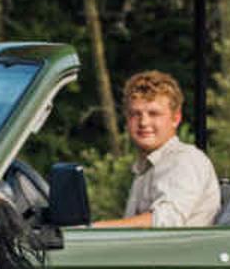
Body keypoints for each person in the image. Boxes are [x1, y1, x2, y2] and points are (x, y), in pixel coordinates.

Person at [95, 71, 222, 228]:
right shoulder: (146, 167)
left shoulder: (185, 161)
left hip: (179, 251)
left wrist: (93, 228)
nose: (143, 122)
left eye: (154, 113)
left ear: (175, 119)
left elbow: (164, 223)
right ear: (127, 120)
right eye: (135, 114)